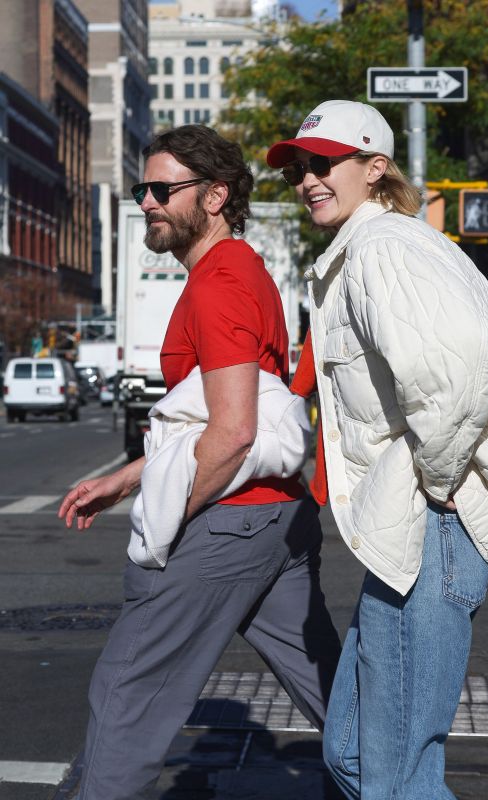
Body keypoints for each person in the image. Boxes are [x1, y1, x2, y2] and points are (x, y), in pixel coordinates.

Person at [267, 100, 488, 799]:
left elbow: (452, 375)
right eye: (301, 166)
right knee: (354, 757)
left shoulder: (387, 249)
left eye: (324, 163)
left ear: (374, 168)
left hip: (432, 523)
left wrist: (440, 474)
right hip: (408, 527)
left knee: (393, 773)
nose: (308, 179)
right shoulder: (367, 250)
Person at [58, 124, 341, 800]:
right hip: (276, 517)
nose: (148, 202)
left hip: (229, 522)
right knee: (338, 698)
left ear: (214, 196)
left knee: (127, 695)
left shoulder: (219, 282)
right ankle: (400, 786)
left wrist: (162, 518)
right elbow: (220, 417)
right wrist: (128, 477)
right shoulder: (237, 269)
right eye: (142, 189)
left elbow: (235, 430)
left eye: (163, 189)